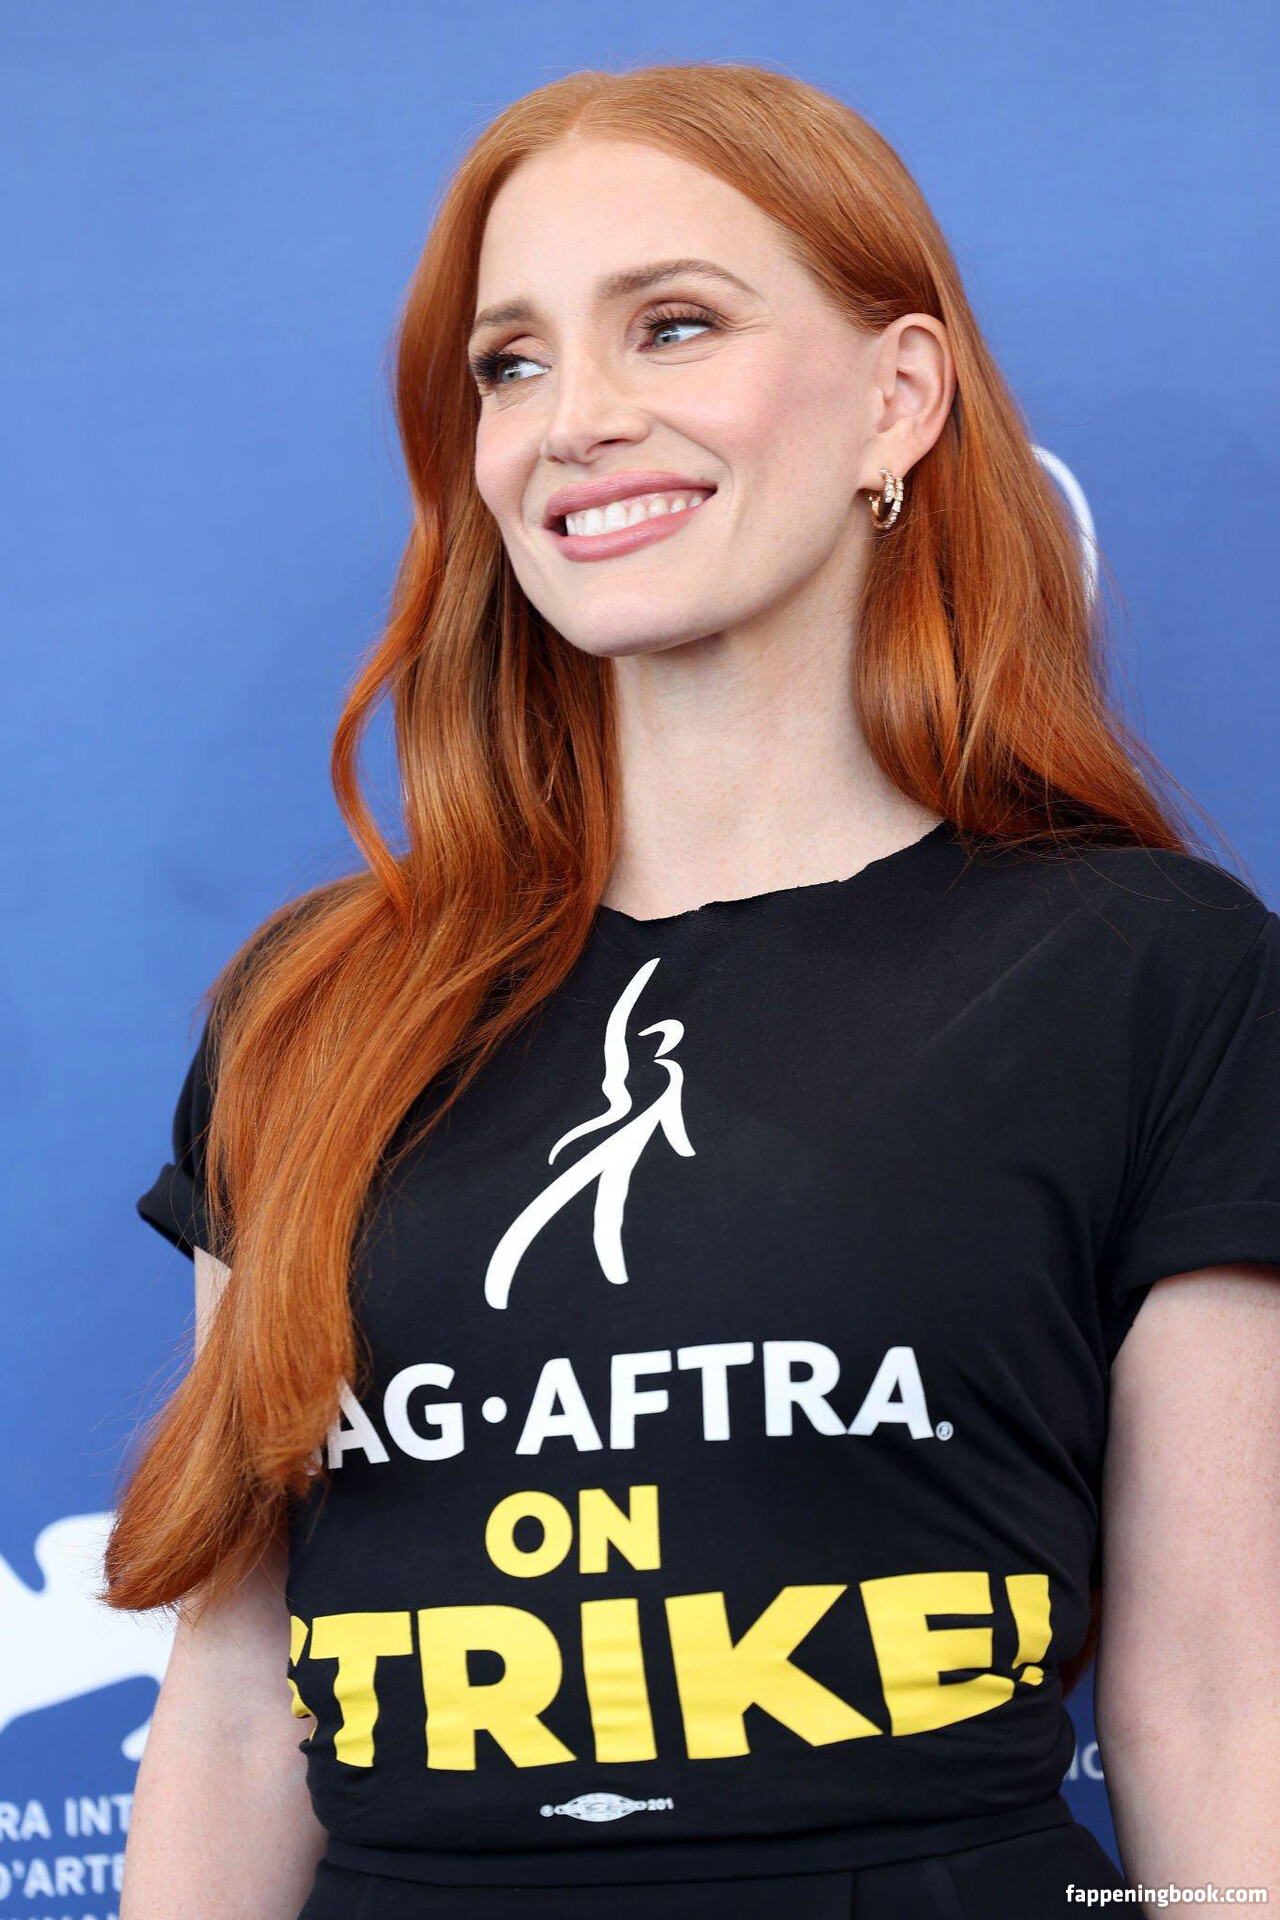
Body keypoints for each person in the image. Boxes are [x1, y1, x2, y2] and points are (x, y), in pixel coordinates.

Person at [108, 60, 1280, 1920]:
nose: (575, 420)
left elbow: (1216, 1707)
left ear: (898, 397)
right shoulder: (313, 1010)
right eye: (511, 364)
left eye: (672, 326)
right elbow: (243, 1714)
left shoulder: (1153, 973)